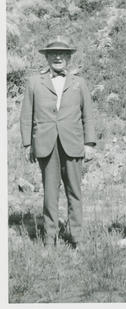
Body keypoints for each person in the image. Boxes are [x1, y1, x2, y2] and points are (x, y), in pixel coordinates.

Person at [20, 37, 97, 248]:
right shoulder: (34, 82)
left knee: (75, 192)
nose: (57, 57)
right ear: (46, 57)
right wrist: (28, 144)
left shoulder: (79, 83)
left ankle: (77, 239)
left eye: (62, 54)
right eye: (53, 54)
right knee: (50, 194)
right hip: (45, 145)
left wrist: (89, 143)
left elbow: (88, 115)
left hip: (72, 144)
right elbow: (26, 114)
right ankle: (49, 239)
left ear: (69, 57)